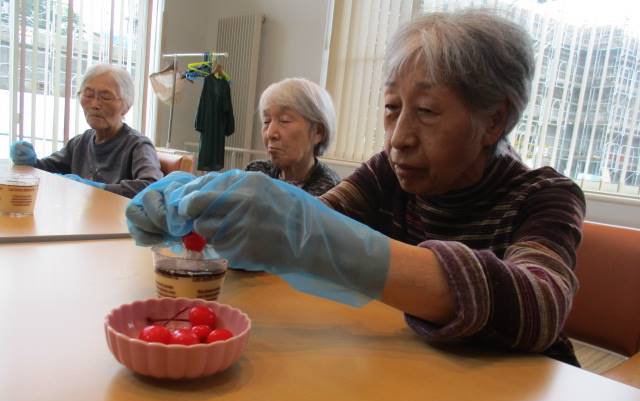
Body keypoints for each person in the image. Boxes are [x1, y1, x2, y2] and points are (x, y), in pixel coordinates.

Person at [125, 9, 586, 366]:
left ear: (494, 121)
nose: (398, 138)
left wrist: (328, 240)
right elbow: (305, 222)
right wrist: (211, 210)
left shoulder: (544, 196)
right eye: (391, 107)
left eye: (427, 111)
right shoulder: (388, 173)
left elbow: (541, 305)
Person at [9, 64, 163, 198]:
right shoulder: (80, 142)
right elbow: (48, 170)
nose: (95, 104)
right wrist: (29, 161)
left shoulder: (138, 145)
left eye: (106, 97)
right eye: (88, 95)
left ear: (126, 106)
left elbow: (152, 188)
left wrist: (98, 189)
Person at [245, 77, 341, 196]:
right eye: (266, 121)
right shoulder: (256, 173)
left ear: (318, 132)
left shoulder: (331, 191)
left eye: (284, 120)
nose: (270, 133)